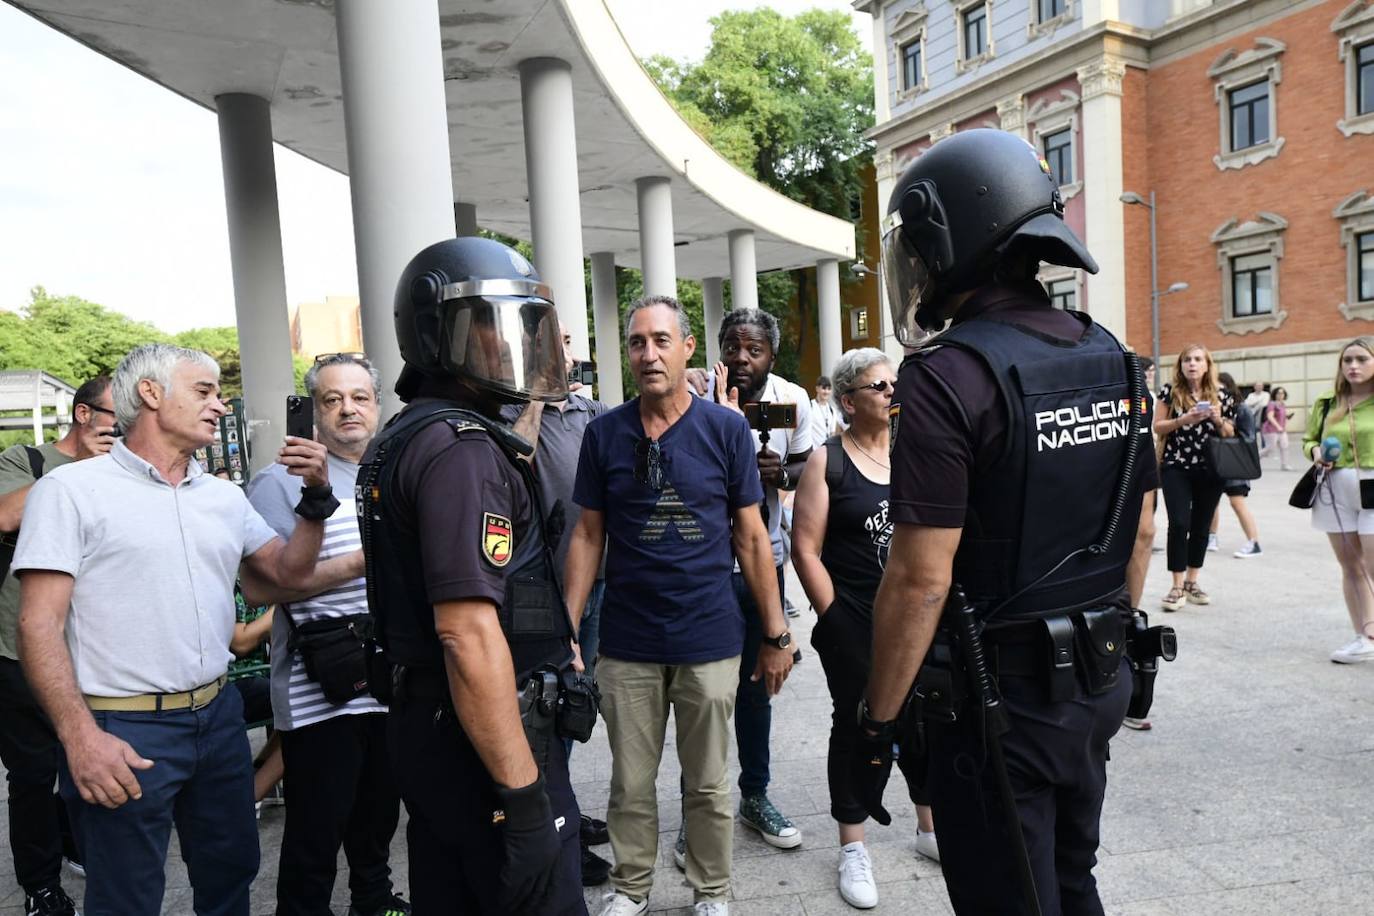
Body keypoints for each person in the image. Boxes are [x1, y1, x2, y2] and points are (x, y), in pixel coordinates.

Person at [853, 129, 1158, 915]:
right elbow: (1143, 524)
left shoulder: (947, 376)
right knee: (1068, 877)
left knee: (1007, 896)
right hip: (1097, 679)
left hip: (999, 704)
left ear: (951, 239)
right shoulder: (1113, 355)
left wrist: (876, 724)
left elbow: (920, 578)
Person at [13, 343, 338, 916]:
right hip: (122, 729)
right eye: (205, 391)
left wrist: (314, 497)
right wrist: (80, 738)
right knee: (126, 897)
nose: (220, 405)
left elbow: (283, 576)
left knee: (231, 874)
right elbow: (37, 623)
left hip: (218, 718)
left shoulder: (221, 496)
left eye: (219, 392)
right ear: (151, 394)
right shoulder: (70, 491)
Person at [359, 237, 585, 914]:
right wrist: (522, 804)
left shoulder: (413, 433)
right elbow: (465, 633)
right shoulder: (461, 451)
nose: (515, 340)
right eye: (493, 322)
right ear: (441, 332)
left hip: (437, 729)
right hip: (480, 744)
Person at [565, 295, 793, 916]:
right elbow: (588, 535)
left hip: (709, 637)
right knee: (630, 784)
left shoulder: (725, 431)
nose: (648, 354)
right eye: (638, 342)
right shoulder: (604, 433)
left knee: (711, 784)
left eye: (661, 341)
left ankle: (712, 891)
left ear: (688, 349)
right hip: (629, 639)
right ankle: (632, 887)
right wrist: (569, 628)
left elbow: (751, 536)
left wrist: (776, 632)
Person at [244, 352, 409, 916]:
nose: (348, 410)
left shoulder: (396, 469)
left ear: (378, 404)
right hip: (322, 688)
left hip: (390, 672)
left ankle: (374, 900)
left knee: (379, 814)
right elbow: (265, 590)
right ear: (313, 410)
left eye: (360, 397)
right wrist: (367, 562)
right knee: (316, 827)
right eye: (332, 399)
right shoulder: (278, 482)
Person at [791, 348, 937, 910]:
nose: (891, 392)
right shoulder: (828, 461)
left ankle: (927, 826)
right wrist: (834, 618)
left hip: (918, 618)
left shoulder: (917, 453)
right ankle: (853, 844)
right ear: (848, 400)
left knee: (926, 715)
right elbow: (806, 549)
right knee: (856, 723)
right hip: (853, 617)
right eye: (878, 385)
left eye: (894, 383)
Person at [694, 306, 811, 854]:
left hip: (766, 565)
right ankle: (701, 813)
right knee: (701, 694)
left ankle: (755, 795)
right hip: (707, 568)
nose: (741, 359)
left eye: (754, 350)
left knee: (759, 685)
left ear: (772, 354)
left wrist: (778, 474)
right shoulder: (695, 395)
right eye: (733, 347)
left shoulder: (794, 400)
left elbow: (808, 472)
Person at [503, 322, 614, 887]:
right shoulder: (511, 413)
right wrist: (535, 400)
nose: (561, 353)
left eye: (566, 342)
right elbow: (514, 464)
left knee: (575, 703)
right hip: (539, 593)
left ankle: (563, 811)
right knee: (544, 710)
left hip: (596, 582)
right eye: (547, 344)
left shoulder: (593, 413)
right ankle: (553, 833)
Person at [0, 375, 115, 916]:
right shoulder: (29, 459)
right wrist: (88, 471)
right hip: (18, 648)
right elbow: (4, 515)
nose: (122, 427)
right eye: (113, 415)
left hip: (94, 650)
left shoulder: (128, 470)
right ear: (82, 414)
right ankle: (41, 886)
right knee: (32, 773)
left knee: (85, 758)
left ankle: (82, 847)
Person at [1304, 338, 1374, 664]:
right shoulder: (1327, 401)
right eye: (1347, 360)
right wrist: (1315, 452)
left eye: (1362, 359)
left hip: (1371, 485)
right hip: (1333, 489)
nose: (1353, 366)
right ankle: (1364, 635)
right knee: (1349, 565)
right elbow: (1309, 440)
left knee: (1372, 565)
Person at [1155, 344, 1236, 611]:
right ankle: (1176, 585)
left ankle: (1192, 581)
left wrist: (1216, 419)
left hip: (1211, 468)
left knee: (1202, 525)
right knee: (1179, 523)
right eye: (1187, 359)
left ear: (1207, 365)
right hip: (1176, 466)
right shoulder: (1170, 392)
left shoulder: (1222, 394)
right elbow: (1157, 426)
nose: (1192, 364)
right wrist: (1184, 419)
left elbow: (1230, 434)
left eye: (1197, 359)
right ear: (1180, 365)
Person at [1209, 372, 1262, 559]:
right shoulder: (1214, 408)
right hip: (1215, 463)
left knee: (1237, 502)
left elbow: (1249, 438)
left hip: (1235, 463)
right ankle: (1211, 537)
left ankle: (1253, 542)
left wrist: (1228, 429)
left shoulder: (1241, 409)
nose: (1215, 391)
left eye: (1218, 388)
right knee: (1211, 503)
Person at [1262, 386, 1294, 471]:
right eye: (1279, 393)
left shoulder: (1283, 405)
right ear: (1275, 394)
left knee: (1285, 446)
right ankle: (1253, 461)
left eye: (1282, 393)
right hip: (1271, 430)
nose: (1281, 395)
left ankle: (1285, 465)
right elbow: (1270, 416)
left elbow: (1281, 416)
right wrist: (1278, 426)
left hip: (1281, 430)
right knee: (1270, 448)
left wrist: (1288, 416)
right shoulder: (1272, 404)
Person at [809, 375, 846, 444]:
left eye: (829, 389)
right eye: (823, 388)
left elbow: (833, 433)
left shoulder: (832, 410)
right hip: (813, 451)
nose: (826, 392)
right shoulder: (810, 406)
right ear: (817, 389)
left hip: (827, 450)